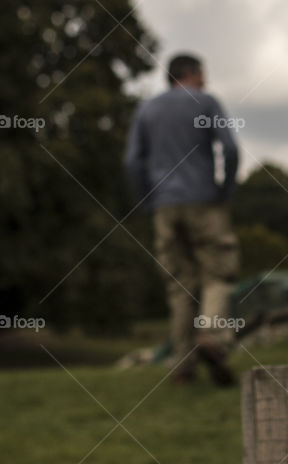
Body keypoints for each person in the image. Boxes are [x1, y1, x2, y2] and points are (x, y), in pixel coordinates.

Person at [124, 53, 240, 386]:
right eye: (203, 73)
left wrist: (148, 200)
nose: (206, 80)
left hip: (164, 204)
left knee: (179, 285)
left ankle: (182, 366)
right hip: (205, 200)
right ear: (190, 73)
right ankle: (212, 337)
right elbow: (229, 151)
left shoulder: (146, 109)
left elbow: (133, 162)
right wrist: (224, 189)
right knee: (219, 273)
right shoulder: (206, 102)